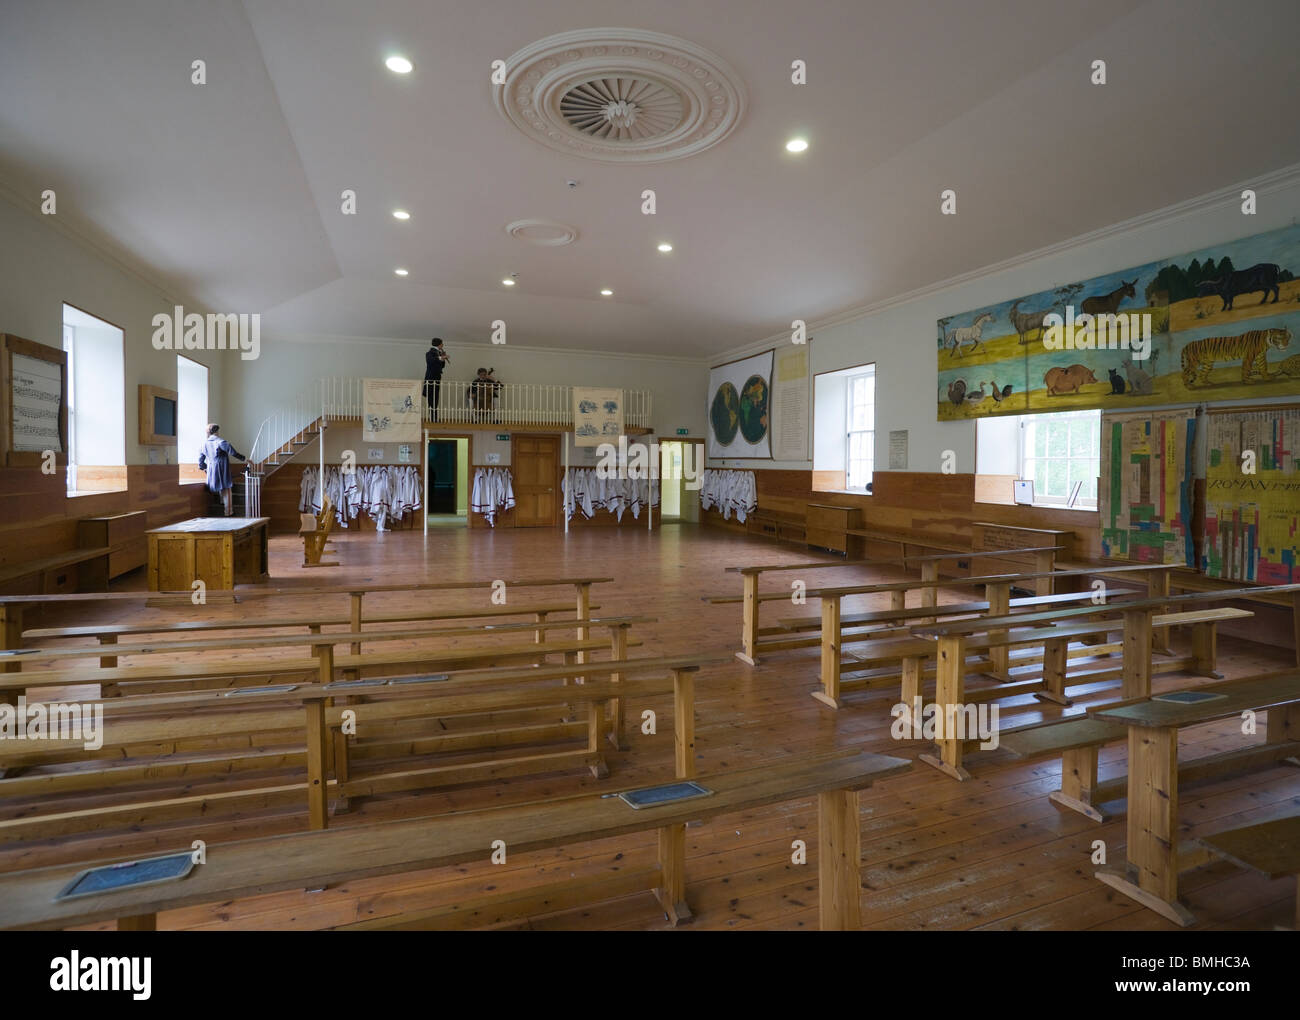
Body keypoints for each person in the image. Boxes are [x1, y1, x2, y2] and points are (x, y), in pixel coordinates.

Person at [199, 424, 246, 517]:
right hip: (221, 468)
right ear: (217, 431)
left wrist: (204, 468)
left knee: (220, 487)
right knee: (227, 488)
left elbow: (200, 460)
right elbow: (233, 452)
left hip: (211, 470)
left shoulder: (204, 444)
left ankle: (221, 502)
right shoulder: (220, 442)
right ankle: (228, 512)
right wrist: (244, 459)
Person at [423, 338, 449, 422]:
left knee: (435, 398)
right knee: (431, 398)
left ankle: (434, 417)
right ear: (439, 344)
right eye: (442, 344)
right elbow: (431, 361)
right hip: (431, 377)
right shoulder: (429, 353)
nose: (443, 345)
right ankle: (432, 417)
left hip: (437, 377)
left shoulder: (438, 353)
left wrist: (442, 357)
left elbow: (442, 366)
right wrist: (441, 357)